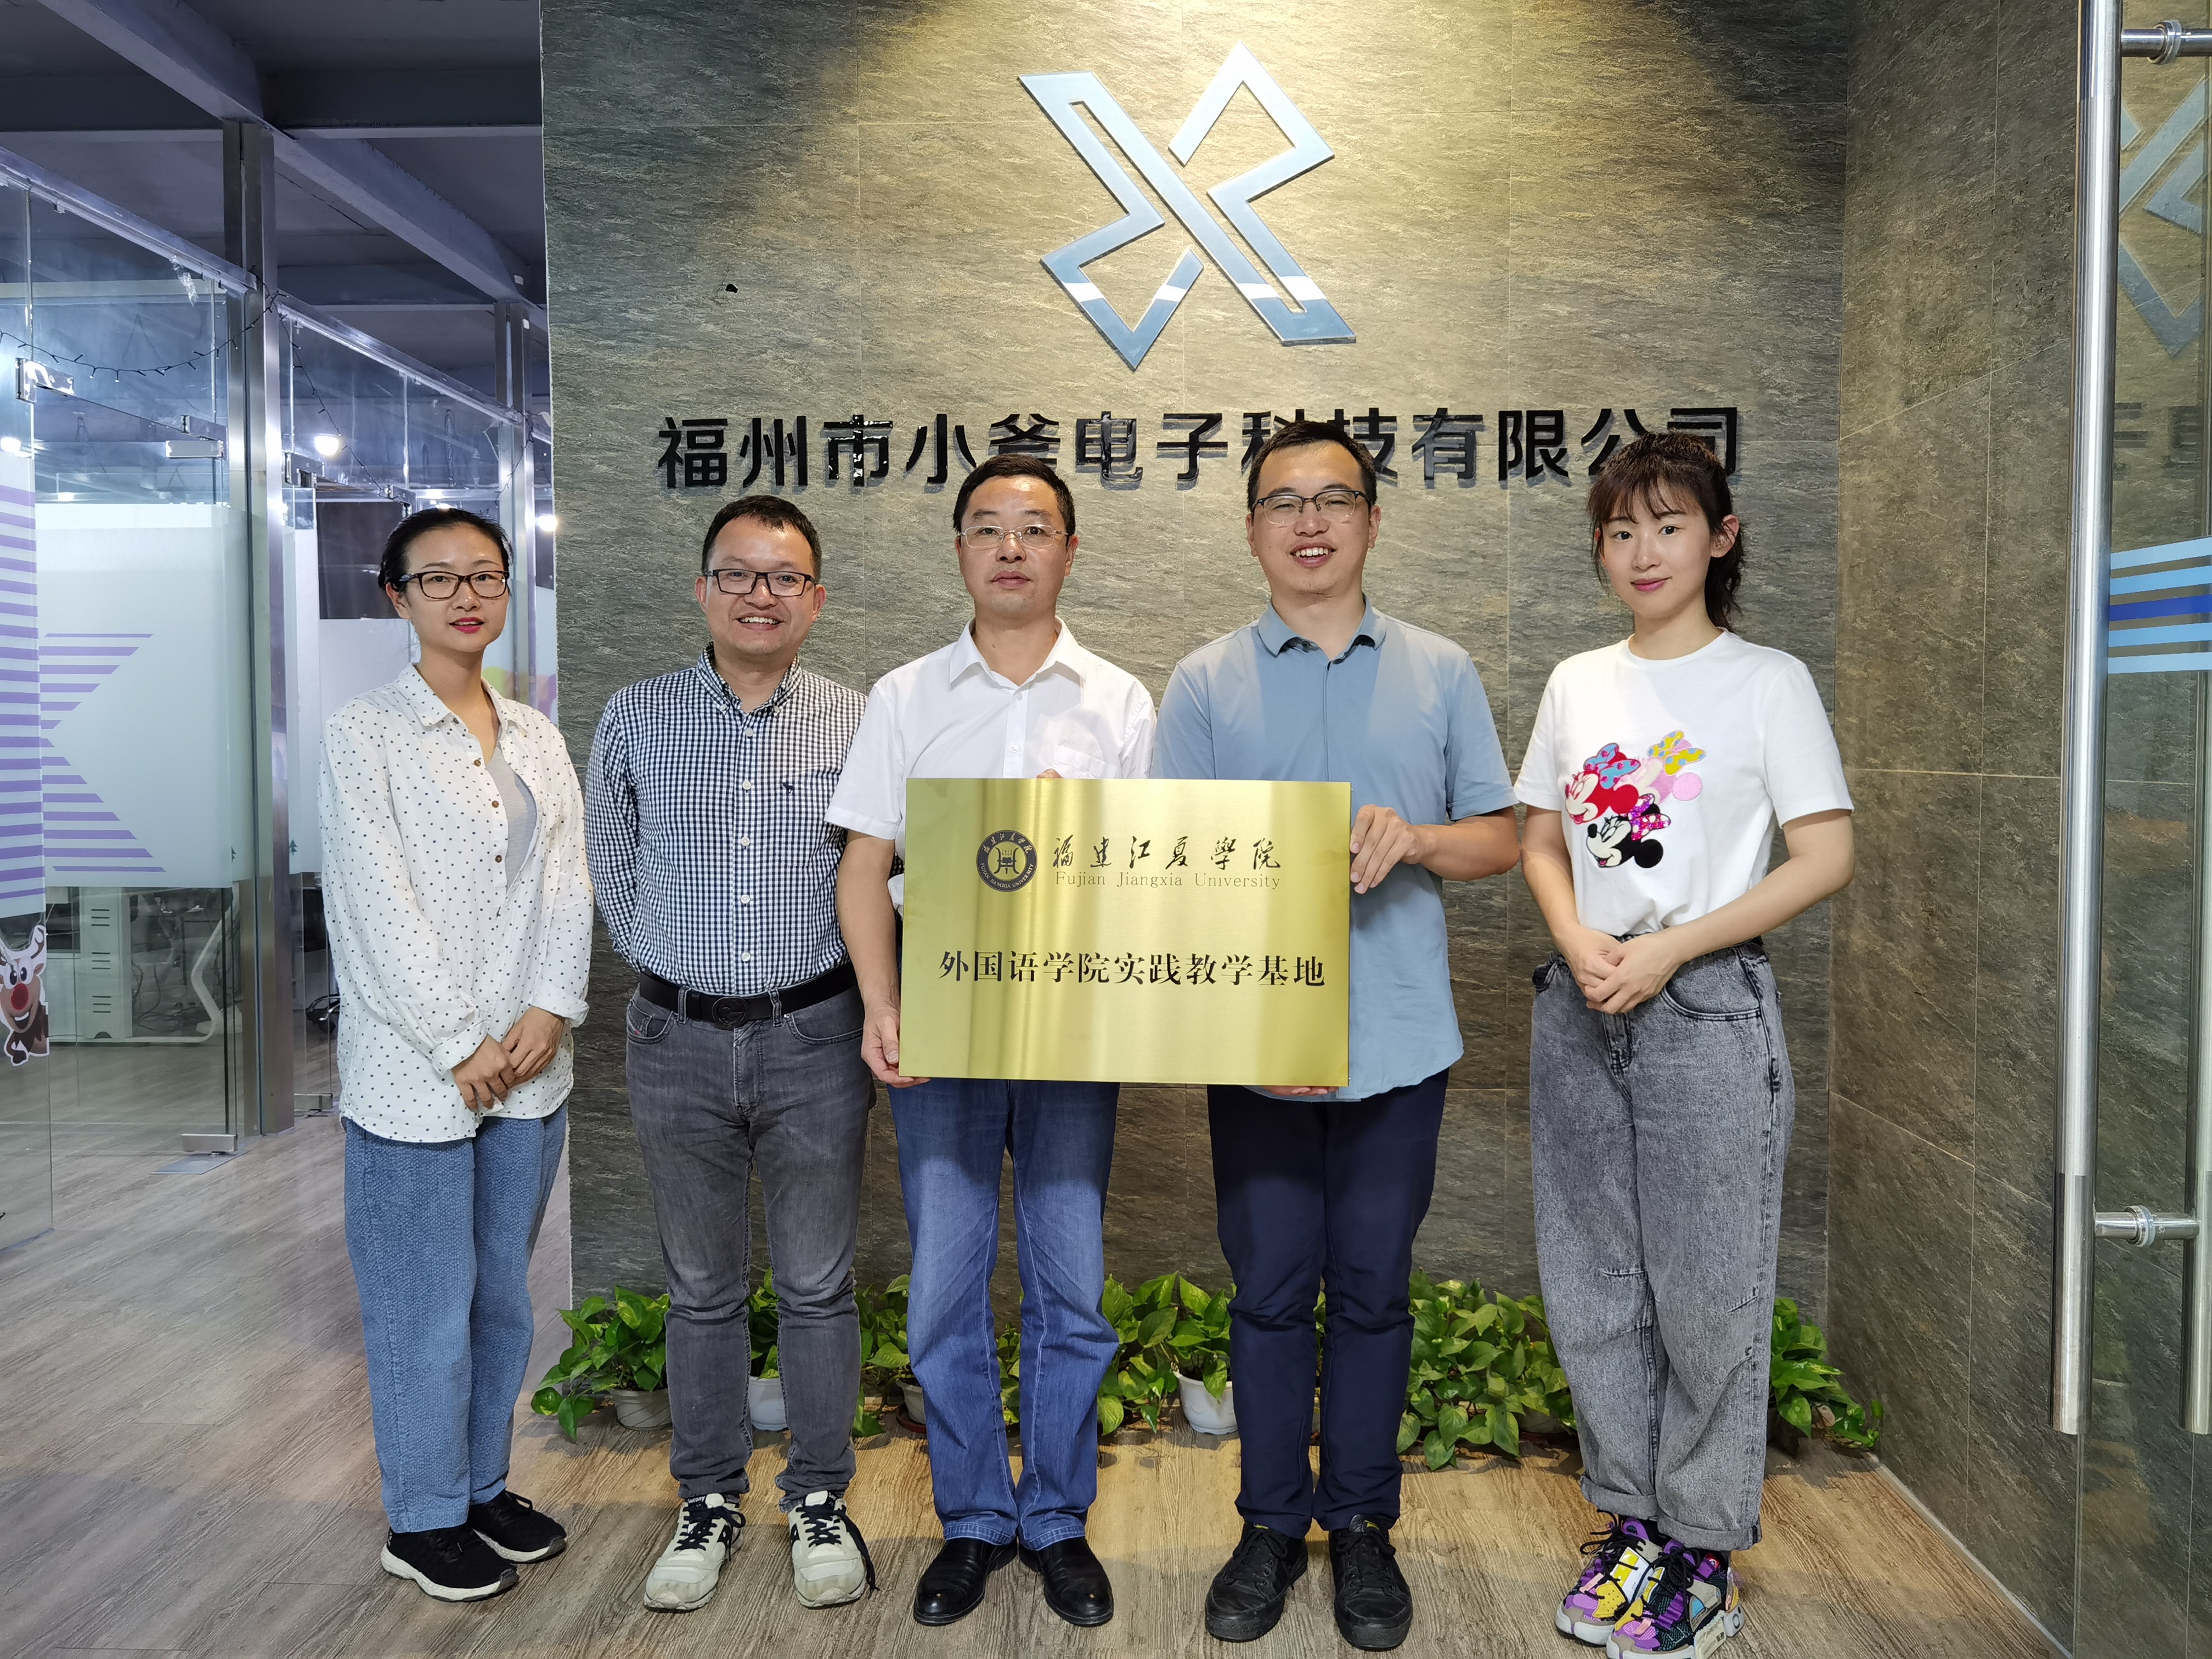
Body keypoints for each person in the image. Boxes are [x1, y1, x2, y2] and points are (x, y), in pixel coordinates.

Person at [1155, 420, 1520, 1652]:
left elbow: (1501, 837)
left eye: (1333, 500)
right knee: (1267, 1296)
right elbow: (1165, 864)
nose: (1309, 523)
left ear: (1373, 519)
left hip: (1399, 1041)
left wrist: (1418, 838)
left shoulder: (1440, 671)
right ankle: (1269, 1525)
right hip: (1256, 1044)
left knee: (1373, 1292)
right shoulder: (1204, 681)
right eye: (1283, 502)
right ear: (1251, 527)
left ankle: (1362, 1525)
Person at [1516, 432, 1853, 1658]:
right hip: (1583, 1003)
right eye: (1620, 531)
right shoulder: (1578, 682)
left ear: (1722, 537)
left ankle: (1701, 1555)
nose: (1643, 551)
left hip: (1706, 1005)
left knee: (1710, 1294)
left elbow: (1826, 856)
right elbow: (1540, 839)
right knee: (1594, 1287)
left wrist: (1670, 949)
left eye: (1668, 525)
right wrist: (1583, 941)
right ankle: (1633, 1527)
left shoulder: (1768, 682)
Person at [828, 453, 1154, 1631]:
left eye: (1034, 527)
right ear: (960, 549)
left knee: (1071, 1285)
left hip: (1070, 1032)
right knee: (944, 1288)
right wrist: (881, 1003)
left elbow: (1150, 875)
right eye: (987, 527)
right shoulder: (907, 695)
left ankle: (1057, 1518)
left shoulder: (1120, 701)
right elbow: (865, 864)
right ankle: (972, 1517)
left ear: (1071, 549)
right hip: (943, 1029)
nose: (1011, 547)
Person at [585, 495, 875, 1614]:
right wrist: (675, 970)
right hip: (676, 1038)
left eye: (785, 577)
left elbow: (886, 873)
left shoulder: (858, 720)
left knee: (816, 1283)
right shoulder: (637, 715)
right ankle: (706, 1499)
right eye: (740, 574)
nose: (762, 595)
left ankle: (819, 1498)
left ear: (817, 598)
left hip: (816, 1034)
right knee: (700, 1288)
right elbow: (612, 863)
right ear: (703, 589)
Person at [321, 505, 592, 1602]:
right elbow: (375, 901)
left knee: (501, 1302)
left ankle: (482, 1488)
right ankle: (423, 1517)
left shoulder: (535, 732)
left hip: (528, 1068)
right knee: (421, 1308)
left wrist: (552, 1007)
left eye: (484, 575)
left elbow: (566, 879)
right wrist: (456, 1039)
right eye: (437, 579)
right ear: (398, 597)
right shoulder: (365, 733)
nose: (466, 596)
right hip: (416, 1076)